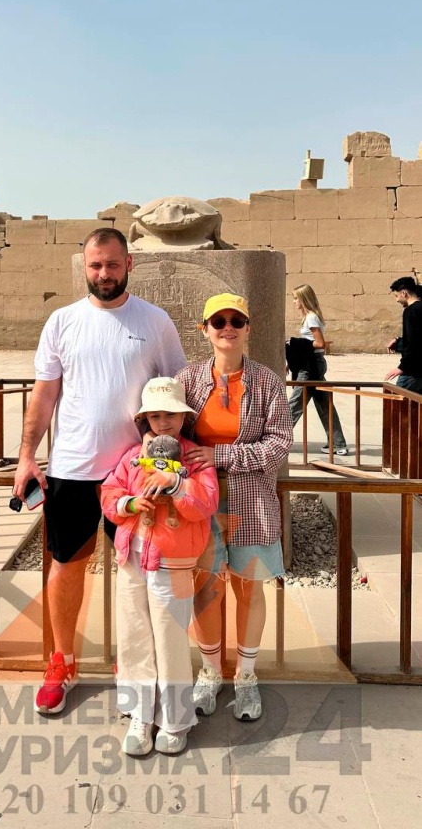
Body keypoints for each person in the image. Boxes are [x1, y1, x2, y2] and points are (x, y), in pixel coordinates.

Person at [12, 227, 186, 715]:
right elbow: (45, 393)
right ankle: (62, 662)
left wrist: (174, 450)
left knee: (136, 570)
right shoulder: (62, 321)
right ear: (85, 267)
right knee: (67, 564)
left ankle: (134, 666)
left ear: (129, 264)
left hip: (134, 472)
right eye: (95, 265)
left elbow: (174, 390)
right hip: (72, 467)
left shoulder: (155, 321)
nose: (103, 274)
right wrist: (27, 455)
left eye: (112, 264)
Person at [176, 293, 293, 721]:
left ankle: (245, 675)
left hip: (252, 500)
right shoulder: (188, 379)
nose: (228, 328)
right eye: (219, 321)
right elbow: (172, 431)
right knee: (206, 588)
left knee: (248, 586)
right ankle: (210, 671)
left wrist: (221, 455)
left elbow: (279, 443)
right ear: (205, 329)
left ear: (248, 328)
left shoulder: (267, 382)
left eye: (236, 321)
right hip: (201, 502)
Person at [101, 377, 219, 756]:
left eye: (170, 414)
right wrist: (129, 504)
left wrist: (176, 484)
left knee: (169, 639)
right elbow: (110, 492)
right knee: (134, 635)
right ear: (145, 419)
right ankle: (140, 714)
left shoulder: (194, 459)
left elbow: (206, 503)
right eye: (155, 415)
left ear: (184, 418)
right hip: (132, 558)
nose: (163, 422)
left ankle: (175, 719)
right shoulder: (132, 457)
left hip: (173, 562)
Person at [288, 284, 349, 456]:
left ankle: (276, 440)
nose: (294, 302)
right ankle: (338, 443)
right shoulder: (310, 317)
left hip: (311, 366)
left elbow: (320, 343)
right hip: (311, 363)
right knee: (324, 404)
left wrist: (295, 344)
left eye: (296, 298)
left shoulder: (311, 318)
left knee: (295, 403)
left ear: (304, 299)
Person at [385, 276, 422, 394]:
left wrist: (402, 367)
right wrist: (398, 341)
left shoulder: (411, 311)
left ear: (404, 293)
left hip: (413, 371)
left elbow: (413, 343)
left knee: (397, 401)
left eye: (396, 296)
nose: (397, 300)